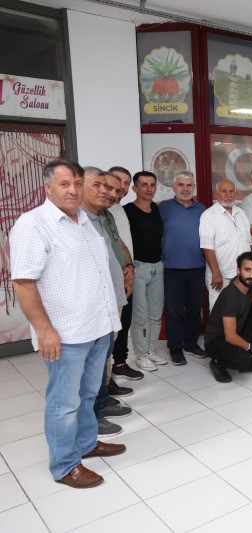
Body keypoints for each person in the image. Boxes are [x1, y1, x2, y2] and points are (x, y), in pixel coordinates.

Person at [10, 159, 125, 489]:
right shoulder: (33, 224)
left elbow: (97, 273)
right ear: (48, 187)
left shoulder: (85, 221)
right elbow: (24, 283)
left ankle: (86, 443)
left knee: (87, 394)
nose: (73, 190)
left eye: (77, 183)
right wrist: (44, 330)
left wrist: (110, 321)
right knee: (64, 403)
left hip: (98, 326)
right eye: (65, 184)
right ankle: (64, 465)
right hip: (66, 333)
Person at [81, 168, 131, 438]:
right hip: (95, 303)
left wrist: (128, 268)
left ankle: (101, 401)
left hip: (112, 295)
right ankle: (92, 415)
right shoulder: (79, 220)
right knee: (93, 361)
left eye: (112, 189)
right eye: (100, 186)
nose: (109, 192)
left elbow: (114, 250)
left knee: (104, 353)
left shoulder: (101, 217)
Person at [159, 170, 207, 365]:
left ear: (193, 187)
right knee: (174, 311)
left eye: (189, 185)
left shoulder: (202, 209)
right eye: (181, 185)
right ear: (173, 187)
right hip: (172, 268)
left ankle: (191, 344)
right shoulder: (163, 208)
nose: (185, 189)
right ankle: (175, 348)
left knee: (195, 310)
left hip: (197, 267)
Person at [205, 252, 252, 383]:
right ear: (238, 270)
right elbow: (229, 336)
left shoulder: (250, 284)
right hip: (216, 341)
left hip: (236, 331)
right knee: (243, 359)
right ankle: (218, 363)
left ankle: (250, 361)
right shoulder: (230, 295)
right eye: (247, 270)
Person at [124, 171, 168, 371]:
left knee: (156, 314)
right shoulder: (127, 211)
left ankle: (150, 350)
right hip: (139, 268)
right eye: (144, 185)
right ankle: (141, 355)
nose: (149, 189)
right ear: (135, 188)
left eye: (152, 185)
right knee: (140, 316)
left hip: (158, 266)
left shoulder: (157, 209)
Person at [107, 167, 142, 382]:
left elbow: (122, 243)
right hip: (112, 276)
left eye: (126, 182)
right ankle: (105, 375)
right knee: (110, 327)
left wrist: (130, 267)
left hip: (127, 273)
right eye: (118, 180)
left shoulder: (119, 209)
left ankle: (120, 363)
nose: (122, 186)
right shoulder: (101, 210)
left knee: (124, 322)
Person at [200, 179, 252, 309]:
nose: (228, 195)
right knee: (218, 312)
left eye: (231, 191)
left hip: (242, 275)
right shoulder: (209, 215)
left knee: (240, 311)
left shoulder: (241, 213)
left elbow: (249, 243)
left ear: (235, 193)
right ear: (217, 193)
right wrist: (216, 273)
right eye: (224, 191)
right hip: (221, 276)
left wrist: (251, 269)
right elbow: (207, 247)